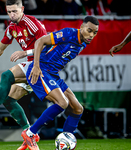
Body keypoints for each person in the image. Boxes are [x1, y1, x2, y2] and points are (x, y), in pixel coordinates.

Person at [0, 0, 47, 149]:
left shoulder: (31, 23)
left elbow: (46, 45)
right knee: (8, 100)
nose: (12, 15)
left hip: (43, 64)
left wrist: (25, 53)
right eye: (9, 12)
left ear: (22, 9)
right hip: (31, 65)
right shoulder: (12, 27)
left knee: (6, 75)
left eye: (15, 11)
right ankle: (30, 135)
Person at [20, 16, 99, 150]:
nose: (91, 35)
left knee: (78, 109)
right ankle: (30, 133)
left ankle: (64, 145)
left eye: (95, 32)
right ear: (81, 27)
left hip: (53, 75)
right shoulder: (68, 34)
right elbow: (40, 41)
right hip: (41, 70)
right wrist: (36, 66)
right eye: (89, 30)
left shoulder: (84, 42)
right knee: (62, 103)